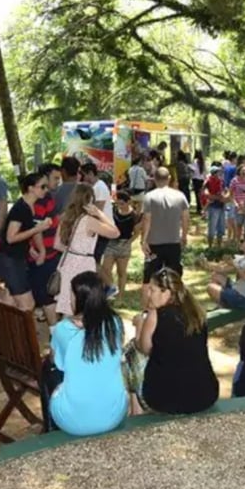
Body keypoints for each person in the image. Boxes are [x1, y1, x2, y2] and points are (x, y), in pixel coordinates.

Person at [41, 272, 128, 435]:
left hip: (73, 421)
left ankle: (50, 428)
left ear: (79, 299)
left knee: (48, 369)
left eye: (71, 295)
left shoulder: (64, 329)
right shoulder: (115, 323)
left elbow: (55, 361)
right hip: (115, 413)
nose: (69, 299)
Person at [132, 268, 219, 414]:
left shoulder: (156, 315)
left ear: (166, 292)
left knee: (130, 355)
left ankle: (136, 413)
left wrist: (140, 326)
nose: (148, 294)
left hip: (164, 400)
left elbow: (144, 348)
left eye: (152, 290)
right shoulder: (197, 314)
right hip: (205, 394)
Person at [54, 184, 119, 317]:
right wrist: (100, 213)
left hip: (68, 262)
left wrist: (73, 249)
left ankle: (66, 334)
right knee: (83, 306)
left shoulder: (66, 217)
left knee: (68, 305)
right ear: (89, 200)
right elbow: (115, 232)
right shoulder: (88, 220)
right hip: (83, 264)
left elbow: (57, 245)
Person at [0, 173, 52, 312]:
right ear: (31, 188)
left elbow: (22, 234)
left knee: (10, 300)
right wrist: (37, 229)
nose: (46, 190)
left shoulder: (29, 206)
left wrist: (31, 249)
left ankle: (8, 331)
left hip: (14, 258)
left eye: (47, 186)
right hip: (10, 259)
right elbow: (11, 237)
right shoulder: (21, 208)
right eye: (43, 187)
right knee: (27, 305)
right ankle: (19, 332)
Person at [140, 167, 190, 303]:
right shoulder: (180, 196)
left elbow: (147, 219)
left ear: (155, 180)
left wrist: (143, 240)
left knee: (149, 277)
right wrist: (184, 236)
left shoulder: (149, 197)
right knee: (174, 276)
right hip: (173, 242)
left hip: (154, 243)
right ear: (169, 179)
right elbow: (185, 218)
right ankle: (176, 303)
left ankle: (146, 307)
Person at [29, 163, 62, 327]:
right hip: (42, 256)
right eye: (55, 178)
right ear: (45, 178)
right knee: (45, 294)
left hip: (50, 254)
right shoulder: (41, 200)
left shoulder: (47, 198)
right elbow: (36, 228)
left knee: (47, 293)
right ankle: (54, 331)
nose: (58, 181)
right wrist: (40, 251)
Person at [100, 190, 141, 299]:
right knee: (105, 269)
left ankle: (120, 295)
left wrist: (129, 243)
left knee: (121, 271)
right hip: (111, 243)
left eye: (122, 203)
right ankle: (110, 289)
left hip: (124, 244)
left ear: (128, 202)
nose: (119, 206)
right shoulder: (113, 212)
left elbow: (137, 233)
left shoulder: (134, 216)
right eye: (117, 203)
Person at [207, 232, 245, 309]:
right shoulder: (241, 257)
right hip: (236, 288)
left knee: (210, 287)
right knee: (215, 275)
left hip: (243, 297)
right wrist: (207, 264)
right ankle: (223, 303)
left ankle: (223, 306)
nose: (240, 243)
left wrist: (235, 264)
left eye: (242, 241)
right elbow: (222, 269)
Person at [79, 163, 114, 267]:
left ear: (90, 173)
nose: (83, 178)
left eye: (84, 175)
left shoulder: (100, 187)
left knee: (95, 259)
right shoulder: (95, 187)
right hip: (98, 227)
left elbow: (98, 209)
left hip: (101, 228)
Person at [229, 163, 245, 242]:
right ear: (239, 171)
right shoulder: (234, 180)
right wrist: (236, 204)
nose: (244, 172)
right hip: (238, 206)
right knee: (238, 225)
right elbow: (231, 194)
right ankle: (238, 241)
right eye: (242, 170)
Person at [203, 166, 227, 248]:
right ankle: (210, 247)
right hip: (213, 207)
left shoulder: (222, 182)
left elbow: (224, 191)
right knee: (212, 228)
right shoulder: (208, 182)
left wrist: (223, 196)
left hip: (221, 207)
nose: (219, 174)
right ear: (213, 174)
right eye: (217, 172)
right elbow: (206, 194)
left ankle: (219, 246)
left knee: (221, 228)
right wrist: (216, 197)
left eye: (220, 172)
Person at [190, 149, 206, 215]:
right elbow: (205, 171)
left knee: (197, 195)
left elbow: (193, 169)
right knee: (201, 194)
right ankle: (202, 208)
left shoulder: (195, 161)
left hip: (196, 179)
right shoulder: (203, 161)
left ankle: (198, 208)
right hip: (201, 180)